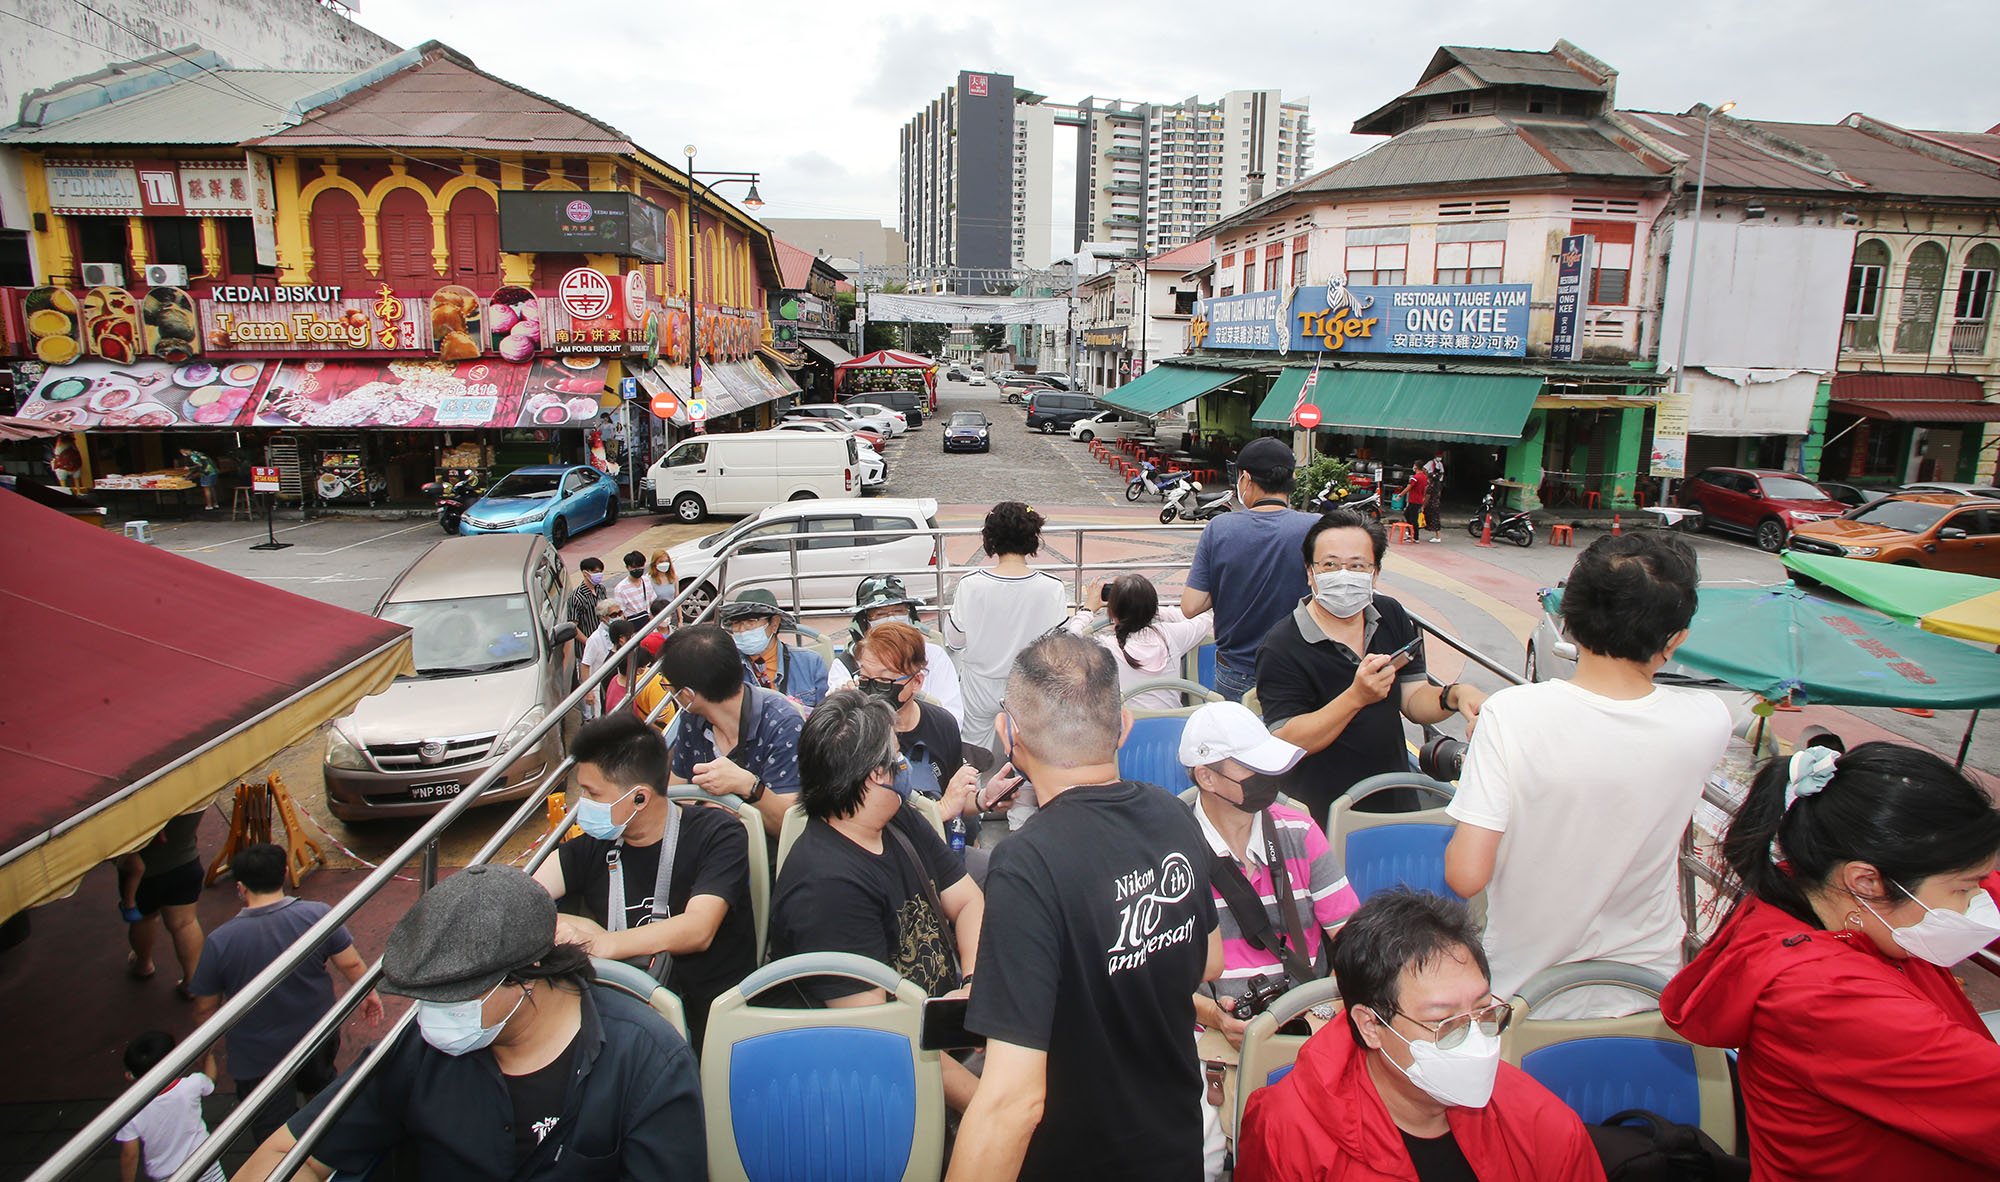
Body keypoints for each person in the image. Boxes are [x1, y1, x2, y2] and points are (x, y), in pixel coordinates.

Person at [948, 632, 1222, 1181]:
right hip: (1174, 1144)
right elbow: (1208, 961)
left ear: (1010, 735)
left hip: (1077, 1158)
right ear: (1123, 726)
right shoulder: (1173, 814)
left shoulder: (1027, 862)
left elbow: (1013, 1102)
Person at [1661, 743, 2000, 1180]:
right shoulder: (1829, 998)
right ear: (1865, 880)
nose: (1977, 902)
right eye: (1965, 889)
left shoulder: (1809, 898)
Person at [238, 864, 704, 1181]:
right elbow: (287, 1154)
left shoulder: (646, 1063)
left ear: (531, 972)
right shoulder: (415, 1054)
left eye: (455, 996)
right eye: (426, 998)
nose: (434, 1015)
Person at [1444, 532, 1729, 1016]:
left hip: (1528, 989)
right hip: (1646, 984)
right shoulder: (1708, 719)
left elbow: (1465, 875)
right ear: (1676, 639)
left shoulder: (1511, 715)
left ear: (1568, 624)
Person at [1236, 889, 1605, 1182]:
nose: (1475, 1040)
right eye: (1445, 1022)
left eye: (1483, 1010)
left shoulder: (1540, 1123)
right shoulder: (1288, 1131)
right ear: (1371, 1025)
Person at [769, 689, 985, 1111]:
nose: (904, 762)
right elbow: (882, 1038)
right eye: (897, 754)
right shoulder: (825, 890)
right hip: (898, 1083)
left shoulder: (895, 817)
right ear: (874, 775)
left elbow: (968, 901)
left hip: (944, 1031)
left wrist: (971, 985)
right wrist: (987, 1111)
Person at [1181, 701, 1360, 1177]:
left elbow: (1355, 941)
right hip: (1204, 1035)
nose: (1266, 775)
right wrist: (1213, 1014)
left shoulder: (1299, 830)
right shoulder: (1168, 845)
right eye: (1249, 766)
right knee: (1198, 1155)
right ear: (1206, 777)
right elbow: (1153, 967)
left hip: (1310, 1020)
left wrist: (1328, 1005)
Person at [534, 713, 755, 1052]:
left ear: (639, 798)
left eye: (593, 794)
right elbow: (526, 897)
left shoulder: (719, 834)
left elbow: (698, 929)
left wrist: (604, 944)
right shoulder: (595, 845)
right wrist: (564, 924)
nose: (584, 807)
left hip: (706, 1020)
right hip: (620, 1016)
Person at [1255, 510, 1485, 822]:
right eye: (1330, 565)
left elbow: (1414, 698)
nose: (1344, 575)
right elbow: (1288, 739)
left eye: (1357, 566)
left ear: (1374, 573)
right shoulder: (1282, 645)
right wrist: (1356, 697)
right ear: (1310, 573)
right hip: (1321, 814)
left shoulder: (1389, 614)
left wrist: (1454, 696)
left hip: (1394, 797)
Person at [188, 843, 381, 1144]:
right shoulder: (316, 915)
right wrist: (368, 993)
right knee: (322, 1093)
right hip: (315, 1033)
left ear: (240, 887)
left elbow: (205, 1007)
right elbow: (352, 962)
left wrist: (206, 1052)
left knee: (272, 1128)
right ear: (286, 872)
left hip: (257, 1054)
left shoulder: (220, 941)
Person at [1180, 437, 1321, 703]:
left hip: (1237, 671)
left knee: (1240, 742)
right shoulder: (1317, 527)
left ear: (1245, 478)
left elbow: (1190, 606)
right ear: (1291, 478)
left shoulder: (1220, 529)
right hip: (1301, 668)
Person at [659, 624, 805, 836]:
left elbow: (790, 827)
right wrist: (708, 806)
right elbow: (675, 795)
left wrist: (750, 787)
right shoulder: (691, 720)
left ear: (687, 694)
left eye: (668, 686)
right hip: (710, 846)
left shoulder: (781, 724)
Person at [944, 501, 1068, 750]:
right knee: (1033, 752)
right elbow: (1059, 647)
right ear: (1033, 538)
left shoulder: (971, 584)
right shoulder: (1052, 587)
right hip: (1030, 685)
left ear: (990, 539)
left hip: (979, 683)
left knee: (973, 752)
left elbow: (955, 640)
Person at [850, 621, 982, 827]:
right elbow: (855, 816)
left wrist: (985, 799)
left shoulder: (942, 725)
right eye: (865, 679)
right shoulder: (851, 730)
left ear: (916, 682)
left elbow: (956, 800)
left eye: (884, 682)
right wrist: (939, 810)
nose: (872, 690)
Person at [827, 575, 966, 722]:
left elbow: (953, 717)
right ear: (863, 622)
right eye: (880, 614)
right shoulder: (846, 665)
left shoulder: (933, 656)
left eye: (899, 611)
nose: (891, 619)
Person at [1072, 574, 1212, 712]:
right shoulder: (1171, 635)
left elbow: (1070, 639)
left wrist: (1088, 609)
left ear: (1112, 612)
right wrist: (1148, 609)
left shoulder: (1107, 648)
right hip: (1173, 725)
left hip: (1132, 729)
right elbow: (1204, 617)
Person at [114, 1031, 226, 1182]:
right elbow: (210, 1081)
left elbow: (130, 1154)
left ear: (130, 1075)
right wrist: (209, 1054)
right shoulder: (191, 1085)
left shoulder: (130, 1109)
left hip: (168, 1176)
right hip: (204, 1162)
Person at [121, 810, 207, 998]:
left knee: (145, 919)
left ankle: (143, 963)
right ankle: (192, 981)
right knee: (186, 922)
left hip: (145, 870)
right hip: (186, 860)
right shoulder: (190, 787)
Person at [719, 588, 828, 707]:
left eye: (751, 621)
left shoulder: (811, 663)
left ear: (774, 623)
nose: (742, 629)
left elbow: (825, 715)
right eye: (736, 623)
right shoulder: (727, 667)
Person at [578, 599, 625, 721]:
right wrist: (588, 691)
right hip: (600, 688)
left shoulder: (622, 634)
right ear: (603, 617)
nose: (619, 617)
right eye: (614, 615)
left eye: (620, 613)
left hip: (618, 683)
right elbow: (585, 666)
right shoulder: (594, 639)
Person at [567, 556, 607, 635]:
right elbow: (573, 626)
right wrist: (588, 642)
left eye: (600, 572)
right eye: (596, 572)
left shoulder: (601, 589)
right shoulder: (577, 597)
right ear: (585, 573)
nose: (599, 575)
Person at [612, 549, 654, 619]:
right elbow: (620, 613)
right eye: (634, 567)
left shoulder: (647, 580)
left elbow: (652, 601)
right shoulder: (620, 589)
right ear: (627, 568)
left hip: (649, 621)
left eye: (640, 566)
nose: (637, 569)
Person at [179, 446, 219, 510]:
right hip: (213, 471)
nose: (182, 453)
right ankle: (216, 504)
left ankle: (209, 505)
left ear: (187, 450)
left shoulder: (193, 456)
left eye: (182, 451)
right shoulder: (198, 453)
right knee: (212, 488)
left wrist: (189, 470)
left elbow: (199, 466)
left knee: (206, 488)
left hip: (206, 472)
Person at [1420, 452, 1445, 543]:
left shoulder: (1430, 486)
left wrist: (1423, 505)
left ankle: (1413, 533)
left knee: (1422, 516)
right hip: (1436, 503)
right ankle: (1437, 536)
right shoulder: (1431, 463)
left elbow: (1427, 496)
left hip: (1431, 504)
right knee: (1433, 518)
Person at [647, 547, 679, 616]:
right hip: (658, 615)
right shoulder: (649, 580)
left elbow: (677, 599)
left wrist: (680, 619)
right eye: (661, 561)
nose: (664, 564)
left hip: (672, 613)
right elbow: (649, 603)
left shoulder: (674, 578)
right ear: (655, 563)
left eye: (666, 561)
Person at [1400, 463, 1428, 538]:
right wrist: (1423, 497)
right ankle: (1410, 533)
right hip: (1419, 499)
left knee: (1413, 518)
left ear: (1416, 467)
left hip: (1414, 500)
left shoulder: (1415, 478)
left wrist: (1400, 495)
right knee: (1407, 514)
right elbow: (1425, 489)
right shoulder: (1424, 477)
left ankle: (1415, 536)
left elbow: (1408, 488)